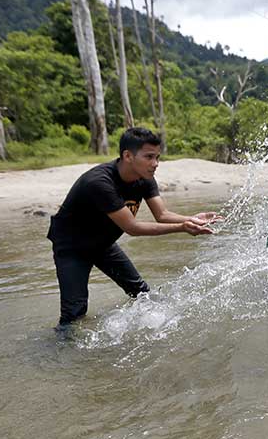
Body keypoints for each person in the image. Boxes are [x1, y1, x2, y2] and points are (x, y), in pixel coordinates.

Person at [47, 127, 218, 328]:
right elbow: (133, 228)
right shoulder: (100, 182)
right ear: (127, 155)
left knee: (142, 294)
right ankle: (61, 352)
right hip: (72, 247)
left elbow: (162, 215)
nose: (155, 164)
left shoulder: (144, 179)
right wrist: (182, 227)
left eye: (157, 157)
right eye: (149, 157)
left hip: (103, 243)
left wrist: (191, 218)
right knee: (74, 312)